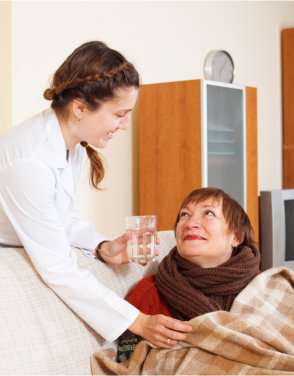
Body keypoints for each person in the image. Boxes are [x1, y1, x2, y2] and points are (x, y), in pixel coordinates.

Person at [0, 41, 192, 346]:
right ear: (80, 108)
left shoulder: (70, 146)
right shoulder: (29, 160)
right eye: (120, 114)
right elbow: (58, 269)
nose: (126, 125)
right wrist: (139, 322)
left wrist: (102, 247)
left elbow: (59, 221)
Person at [117, 187, 261, 361]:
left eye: (208, 213)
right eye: (184, 215)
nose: (190, 223)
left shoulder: (265, 287)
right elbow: (128, 365)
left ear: (236, 236)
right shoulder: (148, 295)